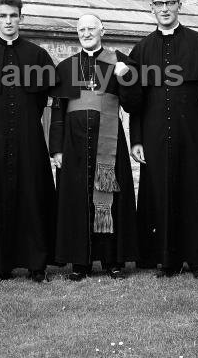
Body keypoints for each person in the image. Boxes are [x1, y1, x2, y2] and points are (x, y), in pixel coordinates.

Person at [129, 0, 198, 278]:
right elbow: (135, 101)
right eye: (159, 3)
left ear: (179, 5)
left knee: (194, 192)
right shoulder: (141, 49)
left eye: (170, 2)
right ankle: (167, 260)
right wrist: (137, 139)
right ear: (152, 7)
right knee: (161, 194)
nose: (165, 8)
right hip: (155, 135)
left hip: (194, 134)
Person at [0, 0, 57, 283]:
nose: (8, 21)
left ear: (21, 18)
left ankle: (36, 264)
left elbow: (44, 98)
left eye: (13, 16)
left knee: (33, 195)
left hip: (29, 136)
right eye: (2, 16)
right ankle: (0, 265)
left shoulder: (38, 55)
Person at [49, 14, 142, 280]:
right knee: (77, 201)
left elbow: (133, 105)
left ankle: (113, 261)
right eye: (81, 29)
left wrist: (126, 78)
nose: (86, 33)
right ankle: (81, 263)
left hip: (109, 142)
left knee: (112, 199)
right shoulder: (66, 67)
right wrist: (56, 148)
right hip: (74, 142)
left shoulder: (120, 62)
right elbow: (58, 109)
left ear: (103, 30)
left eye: (91, 28)